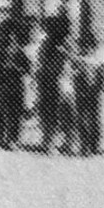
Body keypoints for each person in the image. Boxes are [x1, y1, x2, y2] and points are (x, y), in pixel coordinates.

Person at [0, 17, 33, 150]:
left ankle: (12, 139)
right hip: (0, 82)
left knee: (15, 112)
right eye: (3, 34)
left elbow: (28, 67)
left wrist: (18, 69)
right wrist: (0, 66)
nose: (7, 37)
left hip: (15, 84)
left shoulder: (19, 51)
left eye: (9, 34)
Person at [35, 13, 76, 155]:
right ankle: (64, 143)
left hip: (54, 81)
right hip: (62, 83)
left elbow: (44, 63)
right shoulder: (66, 44)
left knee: (50, 112)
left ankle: (50, 142)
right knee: (64, 113)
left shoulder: (52, 44)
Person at [72, 15, 104, 156]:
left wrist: (100, 88)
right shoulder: (83, 61)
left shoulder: (96, 61)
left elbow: (103, 76)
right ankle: (86, 145)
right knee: (86, 117)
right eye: (84, 46)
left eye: (88, 46)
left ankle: (91, 145)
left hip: (90, 91)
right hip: (85, 91)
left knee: (91, 118)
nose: (86, 49)